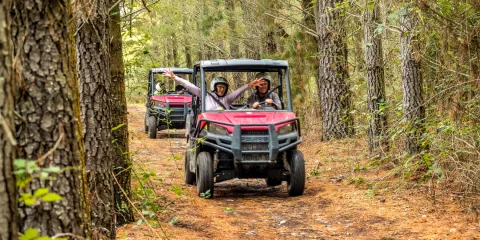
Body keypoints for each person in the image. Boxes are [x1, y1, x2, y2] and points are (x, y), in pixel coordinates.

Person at [162, 69, 262, 110]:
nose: (221, 89)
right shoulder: (206, 95)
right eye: (219, 87)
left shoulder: (228, 98)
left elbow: (239, 91)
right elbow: (189, 86)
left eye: (223, 87)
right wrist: (175, 77)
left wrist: (250, 85)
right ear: (214, 87)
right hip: (209, 127)